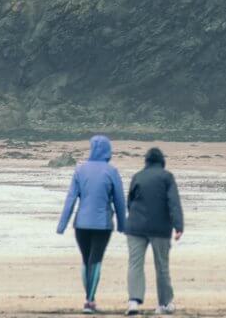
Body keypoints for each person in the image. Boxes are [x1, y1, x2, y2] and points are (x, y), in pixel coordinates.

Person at [57, 134, 127, 313]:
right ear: (108, 150)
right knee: (95, 260)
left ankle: (89, 299)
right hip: (102, 225)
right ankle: (89, 301)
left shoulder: (80, 170)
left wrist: (62, 225)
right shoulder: (111, 171)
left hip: (81, 224)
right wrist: (122, 225)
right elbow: (119, 201)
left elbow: (71, 199)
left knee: (85, 261)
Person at [125, 147, 184, 316]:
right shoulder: (167, 177)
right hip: (160, 228)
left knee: (135, 264)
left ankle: (133, 302)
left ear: (147, 161)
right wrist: (178, 227)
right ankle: (164, 303)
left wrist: (134, 218)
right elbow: (174, 203)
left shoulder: (138, 176)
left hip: (135, 226)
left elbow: (130, 201)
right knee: (162, 266)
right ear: (161, 161)